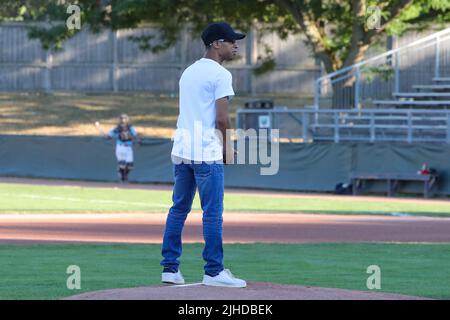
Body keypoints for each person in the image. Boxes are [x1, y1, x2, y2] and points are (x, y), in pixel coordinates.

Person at [160, 22, 246, 287]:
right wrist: (227, 148)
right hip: (206, 151)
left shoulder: (189, 72)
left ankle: (170, 269)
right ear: (216, 44)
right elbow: (222, 119)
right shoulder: (220, 75)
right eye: (231, 41)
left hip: (183, 149)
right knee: (211, 213)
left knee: (178, 210)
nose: (236, 45)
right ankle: (214, 271)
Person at [106, 114, 141, 182]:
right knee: (122, 165)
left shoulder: (130, 128)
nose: (123, 121)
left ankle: (124, 174)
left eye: (124, 119)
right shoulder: (117, 129)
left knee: (130, 165)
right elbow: (110, 135)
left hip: (128, 148)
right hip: (120, 147)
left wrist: (139, 140)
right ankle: (123, 177)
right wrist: (108, 136)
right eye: (121, 120)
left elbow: (136, 134)